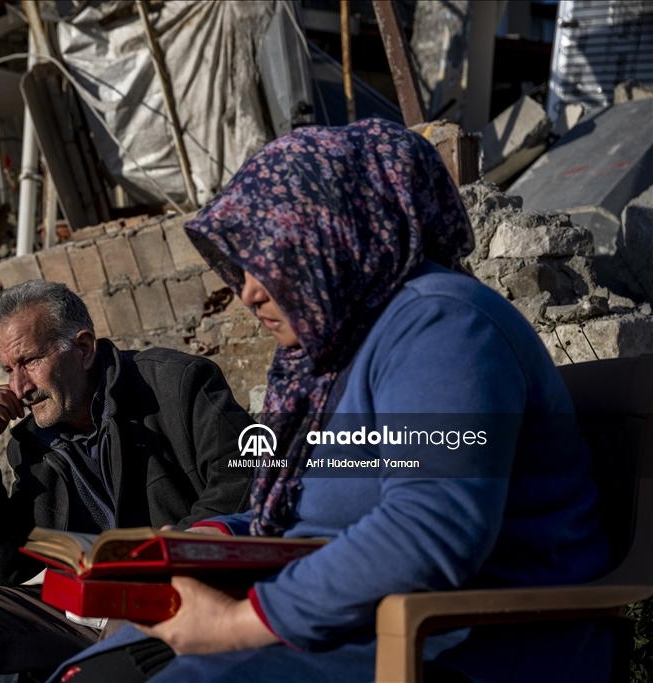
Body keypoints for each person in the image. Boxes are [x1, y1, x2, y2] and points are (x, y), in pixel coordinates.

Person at [50, 120, 611, 682]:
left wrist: (233, 624)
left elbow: (428, 529)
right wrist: (218, 536)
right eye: (242, 267)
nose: (248, 291)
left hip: (452, 643)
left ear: (335, 234)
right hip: (344, 623)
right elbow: (318, 513)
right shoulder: (335, 352)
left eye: (272, 259)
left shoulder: (442, 326)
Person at [0, 280, 254, 683]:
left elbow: (245, 486)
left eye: (29, 361)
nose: (19, 387)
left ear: (83, 349)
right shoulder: (33, 444)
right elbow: (2, 570)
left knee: (128, 627)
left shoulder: (178, 384)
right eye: (8, 370)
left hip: (182, 600)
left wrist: (159, 557)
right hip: (87, 612)